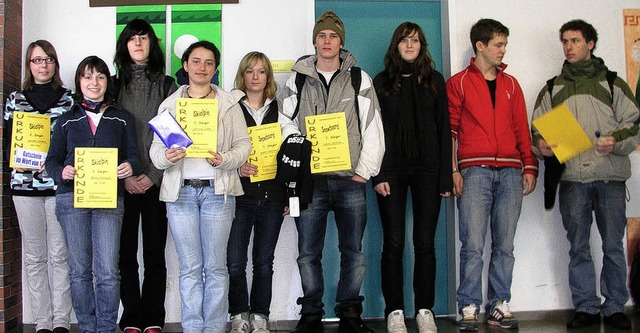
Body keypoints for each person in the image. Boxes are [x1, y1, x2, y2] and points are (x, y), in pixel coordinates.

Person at [279, 10, 385, 333]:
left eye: (333, 36)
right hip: (309, 184)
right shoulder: (296, 79)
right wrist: (298, 145)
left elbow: (373, 127)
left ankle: (350, 315)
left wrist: (364, 171)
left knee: (353, 252)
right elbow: (284, 123)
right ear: (314, 40)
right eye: (322, 36)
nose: (327, 41)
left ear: (341, 42)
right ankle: (311, 314)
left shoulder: (359, 79)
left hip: (349, 181)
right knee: (307, 253)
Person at [531, 19, 640, 331]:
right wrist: (542, 148)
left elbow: (634, 123)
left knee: (613, 245)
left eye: (575, 40)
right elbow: (537, 132)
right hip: (573, 182)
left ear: (591, 43)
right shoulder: (552, 89)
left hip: (610, 178)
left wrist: (615, 141)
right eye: (564, 41)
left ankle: (616, 305)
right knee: (577, 246)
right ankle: (586, 307)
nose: (568, 46)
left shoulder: (614, 84)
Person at [149, 40, 251, 333]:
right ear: (185, 65)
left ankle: (215, 328)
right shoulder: (170, 105)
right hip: (180, 194)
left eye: (208, 62)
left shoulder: (228, 104)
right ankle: (193, 328)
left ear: (215, 69)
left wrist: (225, 159)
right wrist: (167, 157)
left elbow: (244, 146)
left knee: (216, 268)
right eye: (196, 61)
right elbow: (156, 154)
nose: (202, 67)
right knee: (190, 268)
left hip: (217, 193)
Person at [446, 18, 538, 331]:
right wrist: (452, 170)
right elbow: (450, 131)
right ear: (480, 46)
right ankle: (468, 306)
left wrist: (529, 165)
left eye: (504, 45)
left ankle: (499, 304)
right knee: (472, 244)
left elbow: (520, 129)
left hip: (511, 173)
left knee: (505, 245)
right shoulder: (458, 83)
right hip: (474, 172)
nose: (503, 50)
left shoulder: (511, 84)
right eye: (498, 44)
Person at [45, 55, 141, 333]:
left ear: (107, 82)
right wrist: (61, 172)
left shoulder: (122, 118)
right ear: (79, 81)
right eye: (87, 76)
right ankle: (87, 327)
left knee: (108, 272)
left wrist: (129, 167)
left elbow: (135, 156)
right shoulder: (66, 120)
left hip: (109, 200)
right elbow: (52, 160)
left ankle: (106, 327)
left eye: (100, 76)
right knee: (79, 271)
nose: (94, 82)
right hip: (71, 200)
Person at [372, 22, 451, 333]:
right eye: (404, 40)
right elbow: (373, 133)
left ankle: (424, 310)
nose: (409, 45)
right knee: (392, 243)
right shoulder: (381, 82)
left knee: (425, 243)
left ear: (422, 46)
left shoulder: (434, 81)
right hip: (390, 171)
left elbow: (445, 131)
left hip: (429, 172)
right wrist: (377, 174)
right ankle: (394, 311)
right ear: (396, 45)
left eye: (415, 40)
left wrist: (445, 177)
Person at [3, 40, 73, 333]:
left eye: (48, 59)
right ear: (29, 65)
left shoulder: (69, 100)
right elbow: (9, 144)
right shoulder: (15, 99)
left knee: (60, 255)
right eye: (36, 60)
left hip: (59, 188)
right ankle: (42, 320)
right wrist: (20, 159)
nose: (42, 65)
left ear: (55, 64)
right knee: (34, 256)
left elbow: (73, 144)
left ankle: (61, 320)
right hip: (24, 188)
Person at [113, 19, 177, 333]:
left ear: (153, 44)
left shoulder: (167, 85)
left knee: (154, 254)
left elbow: (174, 137)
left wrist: (151, 175)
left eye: (144, 37)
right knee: (125, 255)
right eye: (132, 38)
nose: (138, 43)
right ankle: (131, 317)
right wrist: (124, 177)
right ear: (124, 45)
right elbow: (105, 137)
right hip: (120, 183)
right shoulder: (112, 86)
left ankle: (153, 317)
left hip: (156, 182)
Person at [227, 51, 287, 333]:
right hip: (240, 196)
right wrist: (236, 167)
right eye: (250, 71)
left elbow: (293, 153)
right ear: (242, 75)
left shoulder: (282, 111)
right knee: (235, 260)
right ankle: (239, 314)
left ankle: (260, 314)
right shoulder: (230, 110)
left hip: (273, 196)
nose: (255, 76)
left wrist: (290, 193)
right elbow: (222, 151)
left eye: (261, 71)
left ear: (268, 77)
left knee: (264, 261)